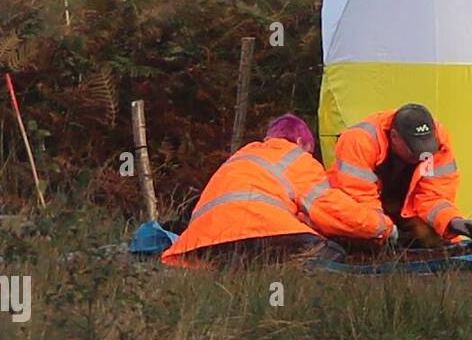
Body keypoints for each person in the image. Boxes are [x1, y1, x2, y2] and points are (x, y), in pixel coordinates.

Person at [161, 114, 396, 267]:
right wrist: (383, 228)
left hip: (204, 245)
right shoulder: (296, 158)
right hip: (261, 234)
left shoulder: (242, 156)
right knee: (331, 254)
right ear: (301, 144)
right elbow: (331, 210)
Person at [330, 103, 472, 247]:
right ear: (395, 137)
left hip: (404, 211)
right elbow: (358, 202)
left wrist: (452, 221)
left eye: (426, 150)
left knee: (432, 236)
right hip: (363, 212)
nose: (421, 155)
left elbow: (433, 196)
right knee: (361, 240)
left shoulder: (437, 143)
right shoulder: (359, 141)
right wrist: (387, 230)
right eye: (413, 149)